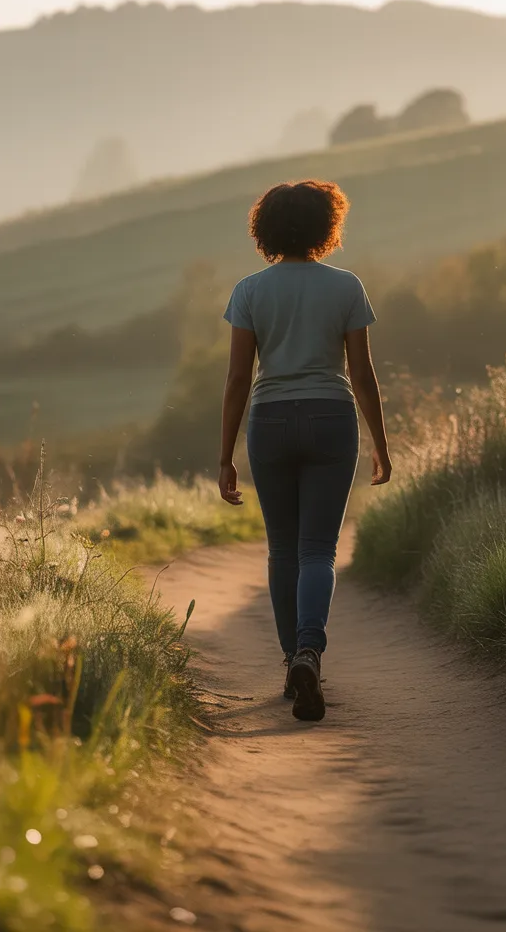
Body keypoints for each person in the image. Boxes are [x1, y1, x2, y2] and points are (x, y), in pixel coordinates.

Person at [218, 179, 392, 722]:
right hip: (331, 419)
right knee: (318, 549)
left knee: (283, 550)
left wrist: (224, 456)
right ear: (327, 225)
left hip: (269, 421)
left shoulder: (249, 290)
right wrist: (381, 445)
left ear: (265, 229)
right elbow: (361, 373)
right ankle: (311, 652)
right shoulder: (346, 287)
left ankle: (292, 658)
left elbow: (238, 377)